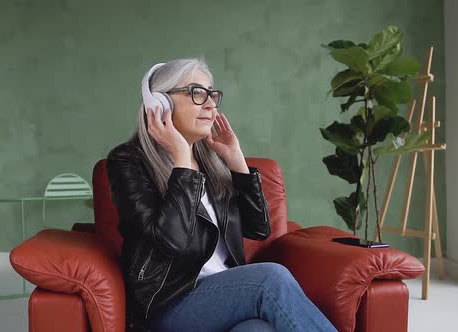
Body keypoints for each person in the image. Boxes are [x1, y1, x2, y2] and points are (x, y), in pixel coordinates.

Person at [106, 58, 336, 332]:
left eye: (212, 94)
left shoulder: (211, 161)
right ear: (160, 104)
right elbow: (170, 243)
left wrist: (237, 163)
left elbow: (259, 229)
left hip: (223, 298)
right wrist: (181, 159)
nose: (210, 105)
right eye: (197, 93)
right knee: (270, 278)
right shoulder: (128, 161)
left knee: (256, 330)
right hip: (167, 305)